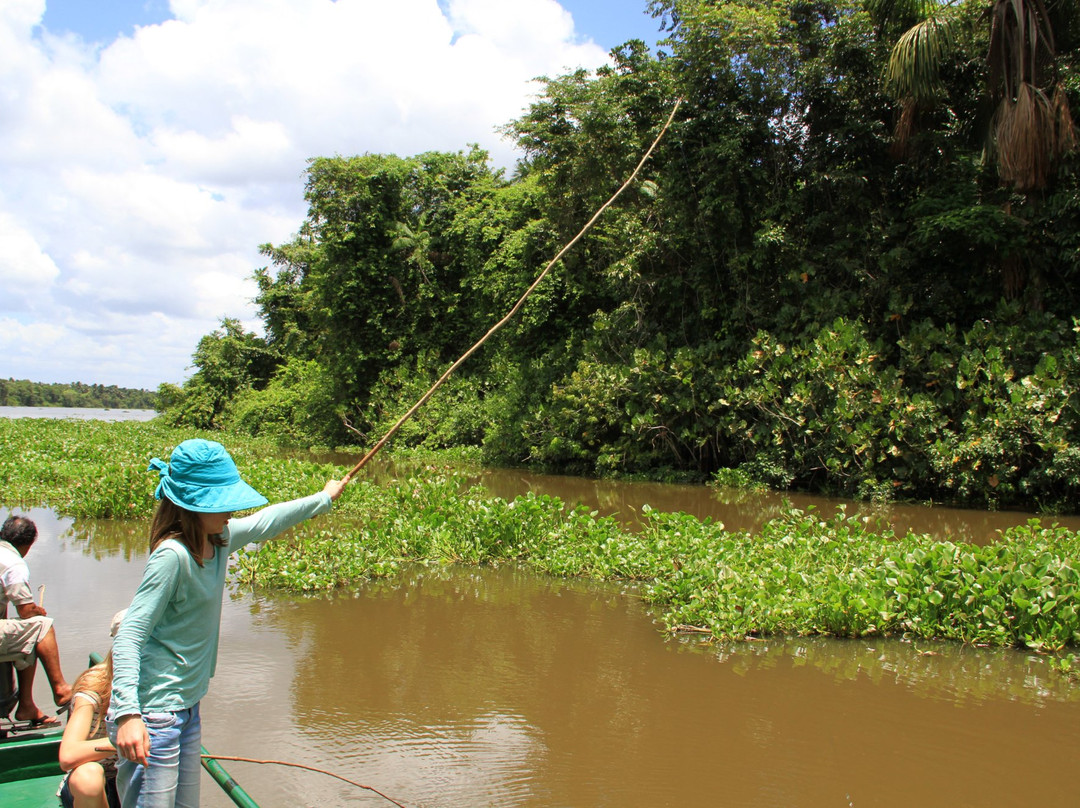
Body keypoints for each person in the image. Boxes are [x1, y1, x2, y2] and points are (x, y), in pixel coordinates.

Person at [107, 439, 347, 808]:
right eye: (222, 503)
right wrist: (127, 715)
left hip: (187, 706)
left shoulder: (217, 540)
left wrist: (324, 498)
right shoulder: (172, 556)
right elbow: (130, 635)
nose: (232, 510)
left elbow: (267, 520)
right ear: (192, 506)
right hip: (155, 712)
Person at [0, 514, 72, 725]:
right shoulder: (13, 562)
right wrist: (36, 610)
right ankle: (61, 689)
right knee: (43, 626)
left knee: (29, 636)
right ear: (28, 544)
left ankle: (27, 706)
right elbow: (24, 610)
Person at [57, 610, 127, 808]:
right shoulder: (94, 686)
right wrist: (125, 741)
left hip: (135, 779)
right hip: (99, 785)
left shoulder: (163, 685)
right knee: (89, 777)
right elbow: (68, 755)